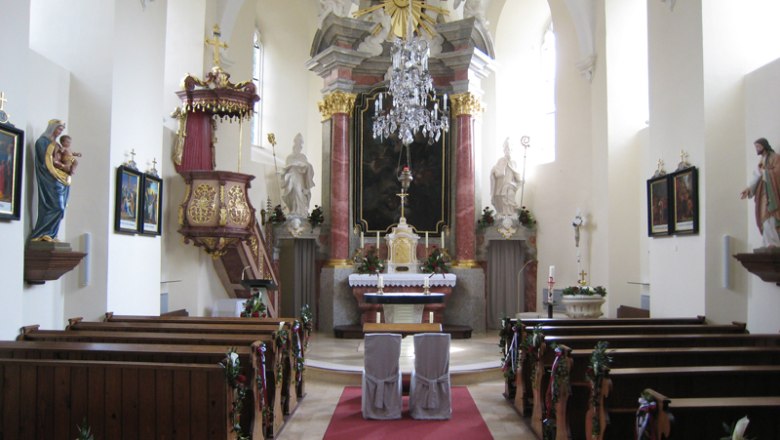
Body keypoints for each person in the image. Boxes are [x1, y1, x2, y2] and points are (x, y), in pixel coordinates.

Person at [30, 119, 70, 242]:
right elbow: (46, 162)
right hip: (49, 179)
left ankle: (51, 234)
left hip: (60, 179)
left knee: (61, 207)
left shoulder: (57, 145)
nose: (59, 132)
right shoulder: (42, 142)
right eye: (59, 129)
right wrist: (61, 166)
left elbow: (64, 158)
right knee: (56, 206)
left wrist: (68, 163)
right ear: (52, 128)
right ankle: (41, 233)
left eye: (62, 130)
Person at [741, 137, 780, 247]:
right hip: (762, 193)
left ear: (764, 146)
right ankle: (767, 241)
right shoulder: (762, 161)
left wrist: (766, 173)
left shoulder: (775, 157)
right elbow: (757, 176)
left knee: (771, 216)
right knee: (763, 217)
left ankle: (774, 242)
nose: (757, 149)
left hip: (772, 193)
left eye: (758, 146)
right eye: (756, 147)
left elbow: (777, 173)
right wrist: (749, 188)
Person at [281, 133, 315, 217]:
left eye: (300, 144)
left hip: (300, 179)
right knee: (293, 193)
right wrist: (292, 166)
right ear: (294, 145)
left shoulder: (303, 156)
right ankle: (293, 210)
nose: (299, 146)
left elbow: (308, 167)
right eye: (298, 144)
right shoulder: (289, 157)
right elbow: (286, 168)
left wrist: (304, 166)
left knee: (299, 193)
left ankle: (300, 211)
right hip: (291, 178)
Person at [490, 137, 522, 216]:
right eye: (506, 149)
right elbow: (496, 172)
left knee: (510, 196)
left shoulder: (514, 162)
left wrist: (520, 179)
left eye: (510, 149)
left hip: (510, 185)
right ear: (504, 150)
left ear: (512, 150)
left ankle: (510, 214)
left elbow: (517, 175)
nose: (508, 151)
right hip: (500, 185)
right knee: (501, 198)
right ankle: (502, 213)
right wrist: (493, 171)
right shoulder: (501, 160)